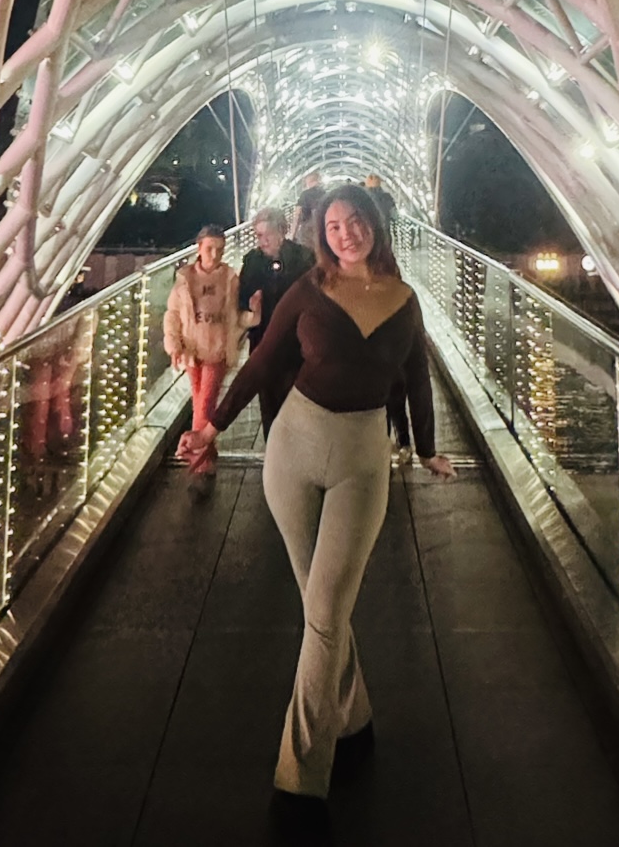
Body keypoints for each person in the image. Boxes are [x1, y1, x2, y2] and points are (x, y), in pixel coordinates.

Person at [182, 184, 455, 806]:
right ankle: (353, 722)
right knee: (322, 608)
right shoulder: (309, 291)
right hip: (294, 450)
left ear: (375, 225)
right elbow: (260, 364)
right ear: (321, 235)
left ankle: (300, 776)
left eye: (355, 221)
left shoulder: (404, 300)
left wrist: (425, 448)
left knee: (326, 610)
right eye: (333, 225)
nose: (345, 233)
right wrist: (210, 429)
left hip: (363, 458)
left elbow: (416, 375)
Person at [164, 225, 260, 492]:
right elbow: (173, 313)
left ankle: (199, 467)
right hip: (192, 350)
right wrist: (174, 345)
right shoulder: (185, 278)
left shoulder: (229, 278)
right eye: (209, 249)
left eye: (219, 249)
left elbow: (235, 316)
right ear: (199, 248)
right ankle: (209, 455)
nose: (215, 255)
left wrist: (254, 315)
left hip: (217, 350)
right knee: (200, 404)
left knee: (205, 405)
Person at [238, 206, 315, 438]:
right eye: (258, 235)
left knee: (297, 405)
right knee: (268, 403)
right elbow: (240, 300)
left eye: (266, 235)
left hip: (296, 346)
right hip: (264, 343)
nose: (261, 241)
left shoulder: (304, 259)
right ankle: (273, 449)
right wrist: (250, 307)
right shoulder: (252, 262)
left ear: (281, 231)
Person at [289, 171, 325, 250]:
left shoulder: (305, 195)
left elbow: (297, 215)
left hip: (308, 233)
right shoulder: (325, 194)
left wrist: (292, 235)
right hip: (322, 230)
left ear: (308, 182)